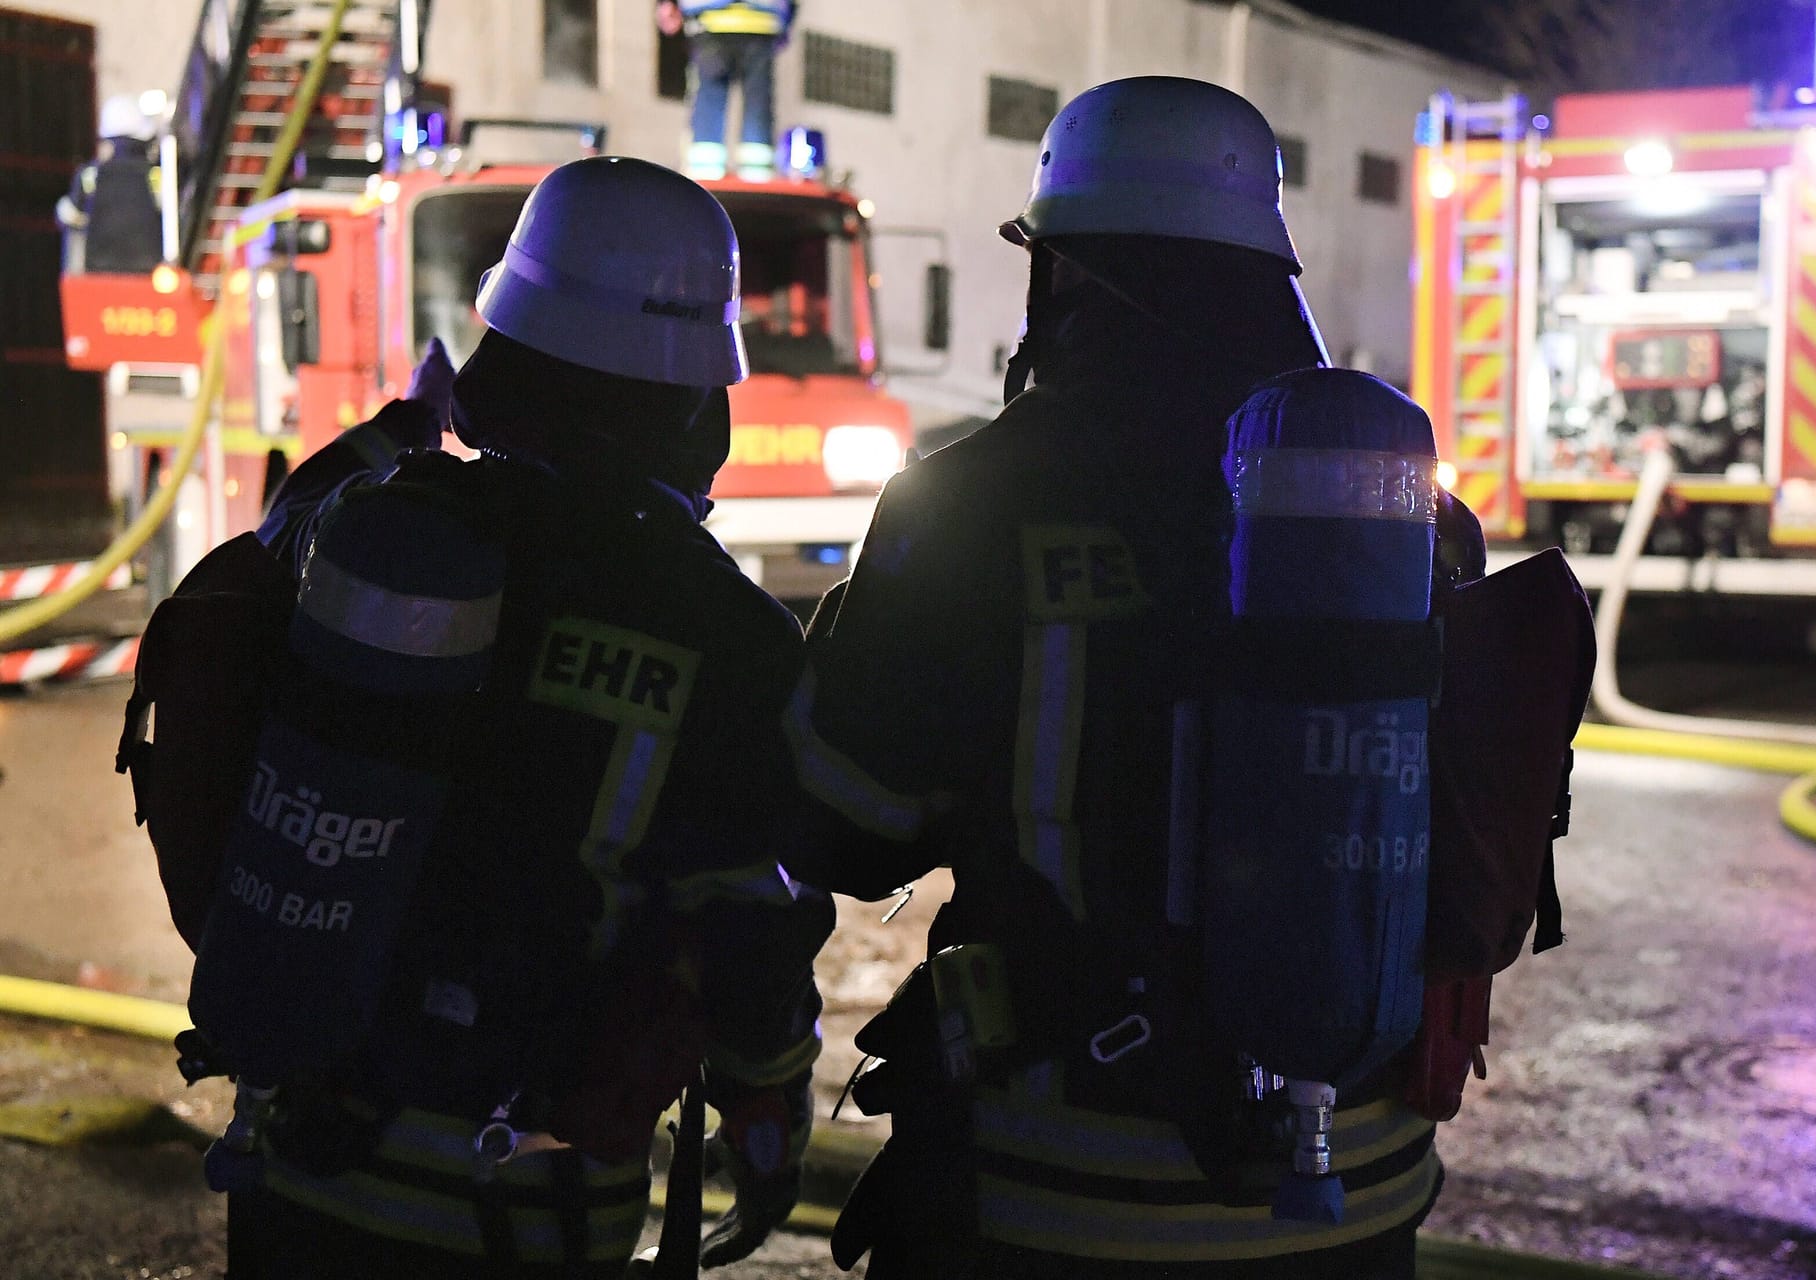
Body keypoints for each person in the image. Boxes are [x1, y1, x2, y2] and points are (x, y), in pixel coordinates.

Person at [784, 78, 1443, 1277]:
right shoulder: (1393, 509)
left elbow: (847, 826)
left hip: (1071, 1183)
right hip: (1356, 1182)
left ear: (1070, 272)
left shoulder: (976, 498)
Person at [217, 155, 832, 1278]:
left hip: (304, 1162)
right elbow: (751, 925)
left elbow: (267, 554)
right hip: (534, 1202)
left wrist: (404, 424)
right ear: (696, 390)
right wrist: (770, 1111)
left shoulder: (377, 534)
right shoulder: (725, 631)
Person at [656, 0, 795, 181]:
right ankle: (756, 174)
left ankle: (706, 172)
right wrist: (790, 15)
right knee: (757, 106)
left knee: (709, 102)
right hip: (762, 20)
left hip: (709, 19)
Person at [56, 93, 165, 274]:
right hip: (150, 272)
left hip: (98, 272)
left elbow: (70, 216)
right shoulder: (156, 175)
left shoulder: (90, 174)